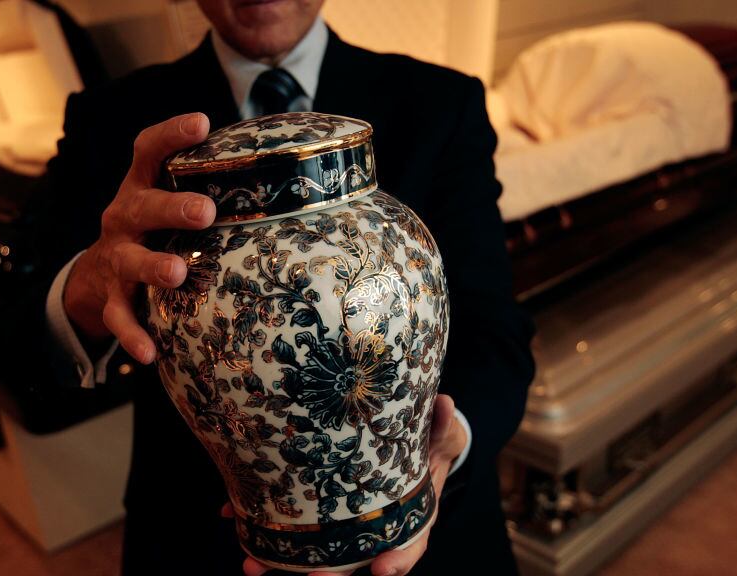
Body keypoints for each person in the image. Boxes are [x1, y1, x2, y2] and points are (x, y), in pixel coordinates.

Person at [35, 1, 535, 574]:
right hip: (201, 539)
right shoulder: (110, 117)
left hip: (433, 535)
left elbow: (497, 330)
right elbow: (14, 332)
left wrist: (447, 442)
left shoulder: (442, 100)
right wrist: (86, 288)